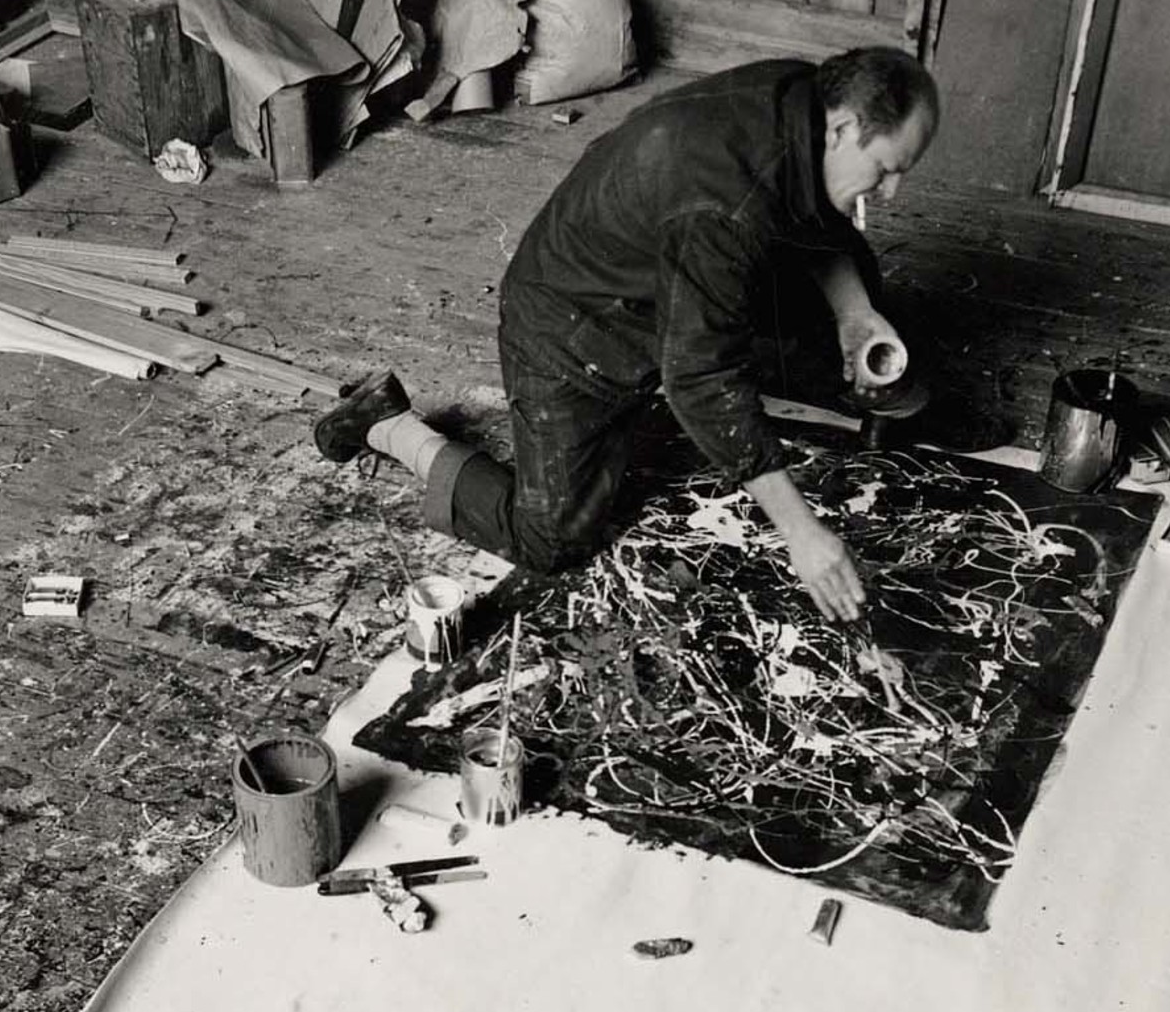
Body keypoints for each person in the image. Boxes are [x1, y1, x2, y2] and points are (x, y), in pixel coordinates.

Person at [312, 45, 940, 626]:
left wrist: (854, 314)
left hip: (671, 270)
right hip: (572, 325)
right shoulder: (724, 204)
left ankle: (872, 383)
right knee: (552, 538)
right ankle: (388, 425)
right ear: (841, 129)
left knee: (857, 280)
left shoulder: (802, 99)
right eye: (885, 169)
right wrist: (803, 533)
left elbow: (810, 211)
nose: (891, 192)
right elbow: (699, 379)